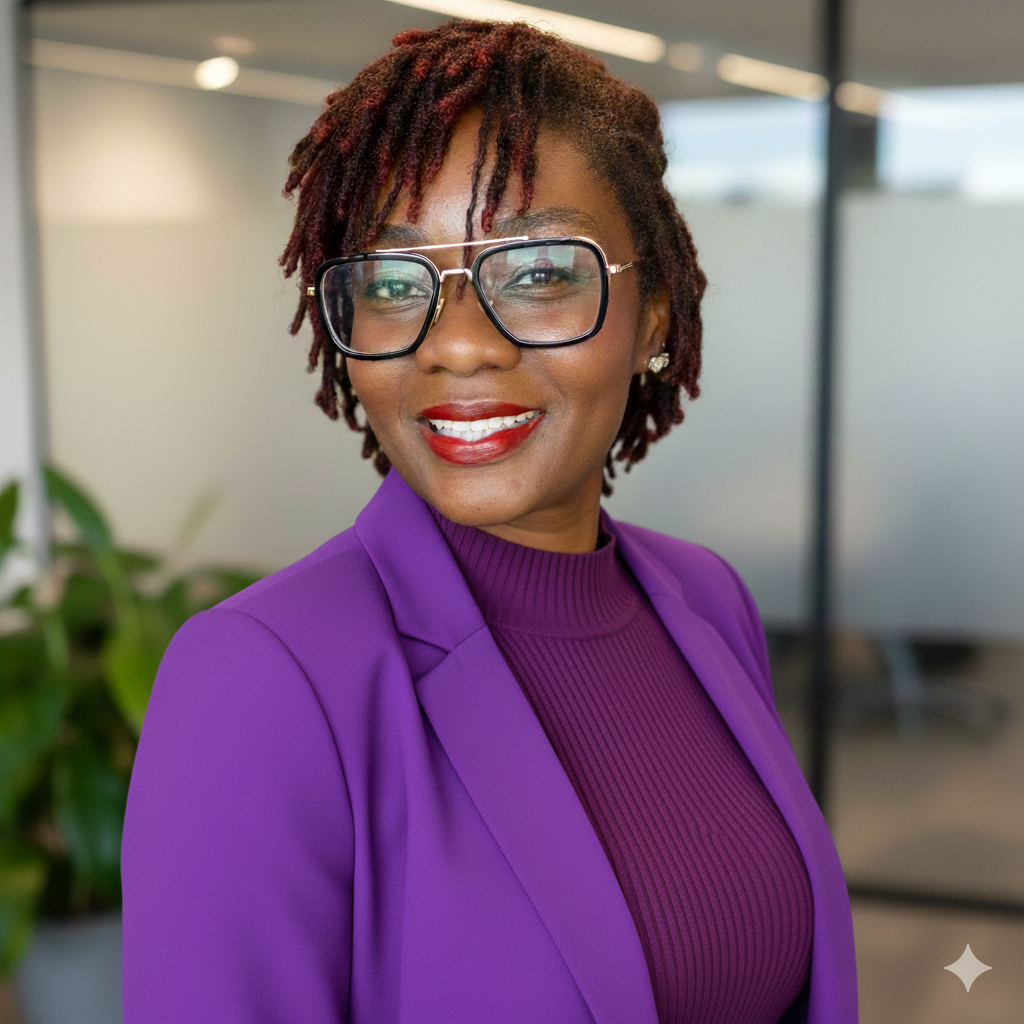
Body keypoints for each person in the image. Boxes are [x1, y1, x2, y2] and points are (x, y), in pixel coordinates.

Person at [121, 20, 857, 1024]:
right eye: (392, 281)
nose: (458, 345)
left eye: (541, 271)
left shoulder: (703, 598)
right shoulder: (261, 677)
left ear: (652, 316)